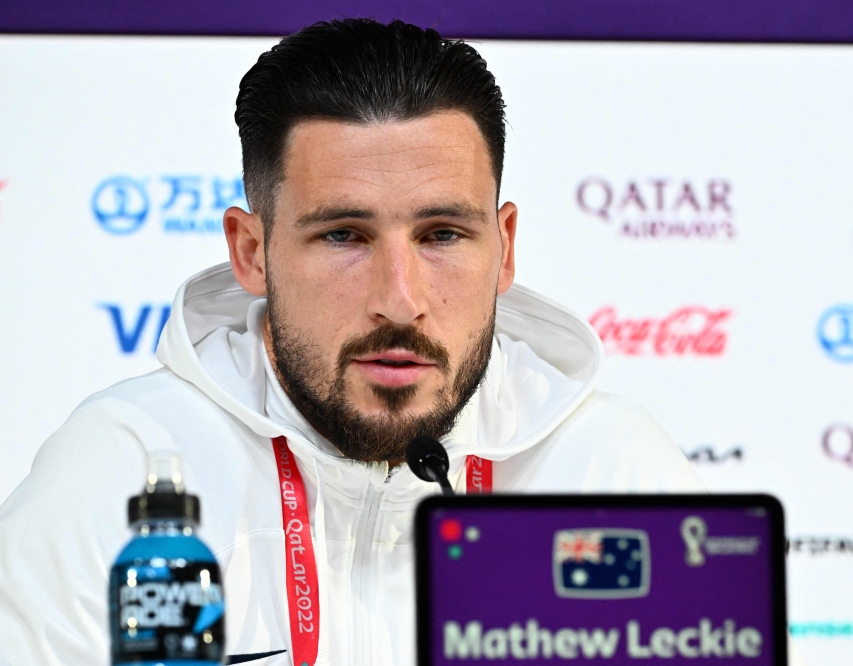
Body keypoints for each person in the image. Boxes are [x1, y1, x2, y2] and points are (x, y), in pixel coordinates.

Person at [0, 19, 703, 665]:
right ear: (251, 251)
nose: (400, 299)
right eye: (343, 236)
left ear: (505, 249)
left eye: (442, 236)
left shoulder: (610, 471)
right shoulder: (120, 465)